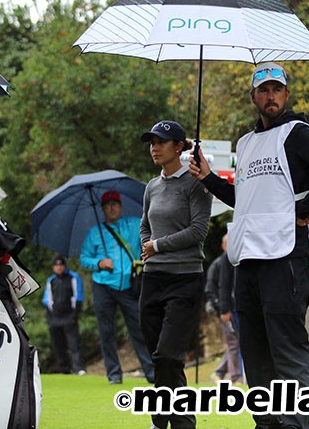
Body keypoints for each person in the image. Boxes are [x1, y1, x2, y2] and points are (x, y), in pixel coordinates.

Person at [189, 63, 309, 429]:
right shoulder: (245, 144)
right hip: (247, 260)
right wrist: (209, 178)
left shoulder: (297, 133)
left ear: (286, 95)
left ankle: (295, 425)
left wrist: (305, 208)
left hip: (285, 257)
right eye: (263, 90)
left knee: (288, 347)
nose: (271, 96)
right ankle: (267, 424)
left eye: (277, 89)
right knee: (255, 349)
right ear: (253, 97)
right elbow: (243, 198)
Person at [139, 120, 212, 429]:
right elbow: (145, 224)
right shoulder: (151, 186)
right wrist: (145, 244)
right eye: (152, 141)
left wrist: (159, 245)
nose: (154, 147)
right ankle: (182, 420)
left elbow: (199, 230)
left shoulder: (197, 184)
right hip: (153, 278)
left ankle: (161, 419)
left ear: (179, 147)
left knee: (170, 353)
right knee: (159, 355)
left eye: (162, 141)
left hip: (185, 277)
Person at [80, 190, 154, 384]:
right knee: (106, 331)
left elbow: (148, 239)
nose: (112, 208)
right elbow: (84, 258)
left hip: (130, 285)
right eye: (108, 205)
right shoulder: (95, 232)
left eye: (115, 204)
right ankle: (114, 374)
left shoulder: (134, 225)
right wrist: (99, 262)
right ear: (103, 209)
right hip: (103, 286)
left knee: (139, 327)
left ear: (120, 207)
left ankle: (151, 372)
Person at [204, 234, 241, 384]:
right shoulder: (218, 265)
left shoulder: (237, 262)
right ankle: (237, 378)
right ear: (223, 246)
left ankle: (219, 372)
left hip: (238, 308)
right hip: (225, 309)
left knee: (238, 341)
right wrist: (221, 308)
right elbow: (211, 290)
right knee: (234, 342)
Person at [42, 255, 86, 375]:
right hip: (55, 317)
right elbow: (47, 300)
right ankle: (64, 369)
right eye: (56, 265)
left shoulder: (73, 278)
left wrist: (74, 316)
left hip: (69, 316)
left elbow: (79, 297)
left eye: (61, 265)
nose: (59, 268)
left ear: (64, 266)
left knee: (74, 344)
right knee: (58, 345)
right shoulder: (51, 281)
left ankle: (79, 368)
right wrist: (50, 318)